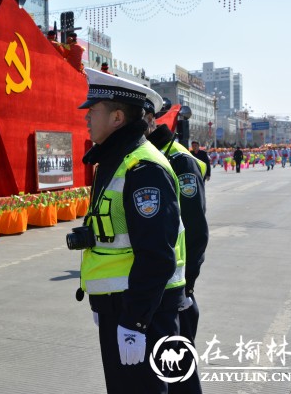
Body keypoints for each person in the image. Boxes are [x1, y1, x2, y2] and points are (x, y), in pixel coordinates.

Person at [75, 68, 185, 393]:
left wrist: (134, 322)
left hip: (142, 312)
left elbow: (156, 254)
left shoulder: (142, 167)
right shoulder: (115, 161)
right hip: (119, 306)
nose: (86, 118)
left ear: (117, 117)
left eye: (93, 111)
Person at [144, 102, 208, 394]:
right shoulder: (149, 156)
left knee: (180, 376)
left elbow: (195, 231)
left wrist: (187, 286)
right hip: (161, 288)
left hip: (178, 290)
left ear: (150, 121)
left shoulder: (179, 160)